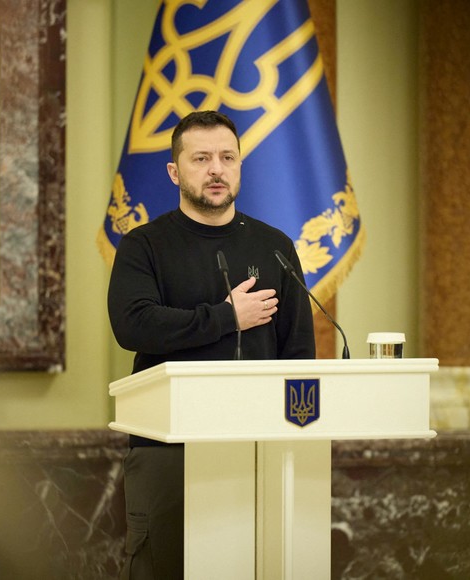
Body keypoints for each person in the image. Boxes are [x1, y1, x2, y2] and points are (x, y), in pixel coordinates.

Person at [107, 110, 316, 579]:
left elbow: (299, 351)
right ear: (175, 172)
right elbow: (133, 325)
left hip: (259, 443)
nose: (216, 169)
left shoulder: (276, 247)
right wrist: (226, 317)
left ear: (241, 166)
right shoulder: (144, 245)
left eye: (227, 157)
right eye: (201, 158)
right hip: (168, 444)